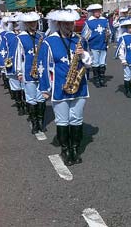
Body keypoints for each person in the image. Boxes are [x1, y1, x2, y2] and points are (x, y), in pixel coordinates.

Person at [38, 9, 92, 166]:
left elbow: (89, 63)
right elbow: (43, 66)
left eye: (71, 23)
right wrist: (45, 89)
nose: (69, 26)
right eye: (66, 24)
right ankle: (65, 150)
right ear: (59, 24)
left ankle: (75, 149)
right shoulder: (49, 42)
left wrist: (82, 54)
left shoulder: (80, 40)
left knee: (76, 119)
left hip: (79, 86)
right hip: (60, 87)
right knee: (63, 120)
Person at [16, 12, 47, 134]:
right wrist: (19, 72)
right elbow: (18, 56)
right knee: (31, 97)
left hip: (42, 71)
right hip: (28, 70)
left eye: (34, 22)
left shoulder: (42, 35)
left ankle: (41, 121)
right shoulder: (21, 37)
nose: (33, 25)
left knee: (42, 97)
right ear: (25, 24)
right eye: (30, 23)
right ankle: (34, 123)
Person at [82, 4, 111, 88]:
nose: (98, 13)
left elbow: (108, 31)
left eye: (99, 11)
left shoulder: (105, 21)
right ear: (92, 12)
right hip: (93, 45)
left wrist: (108, 36)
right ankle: (96, 80)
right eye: (96, 11)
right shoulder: (89, 22)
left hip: (103, 44)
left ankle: (102, 79)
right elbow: (84, 35)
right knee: (95, 62)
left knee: (102, 63)